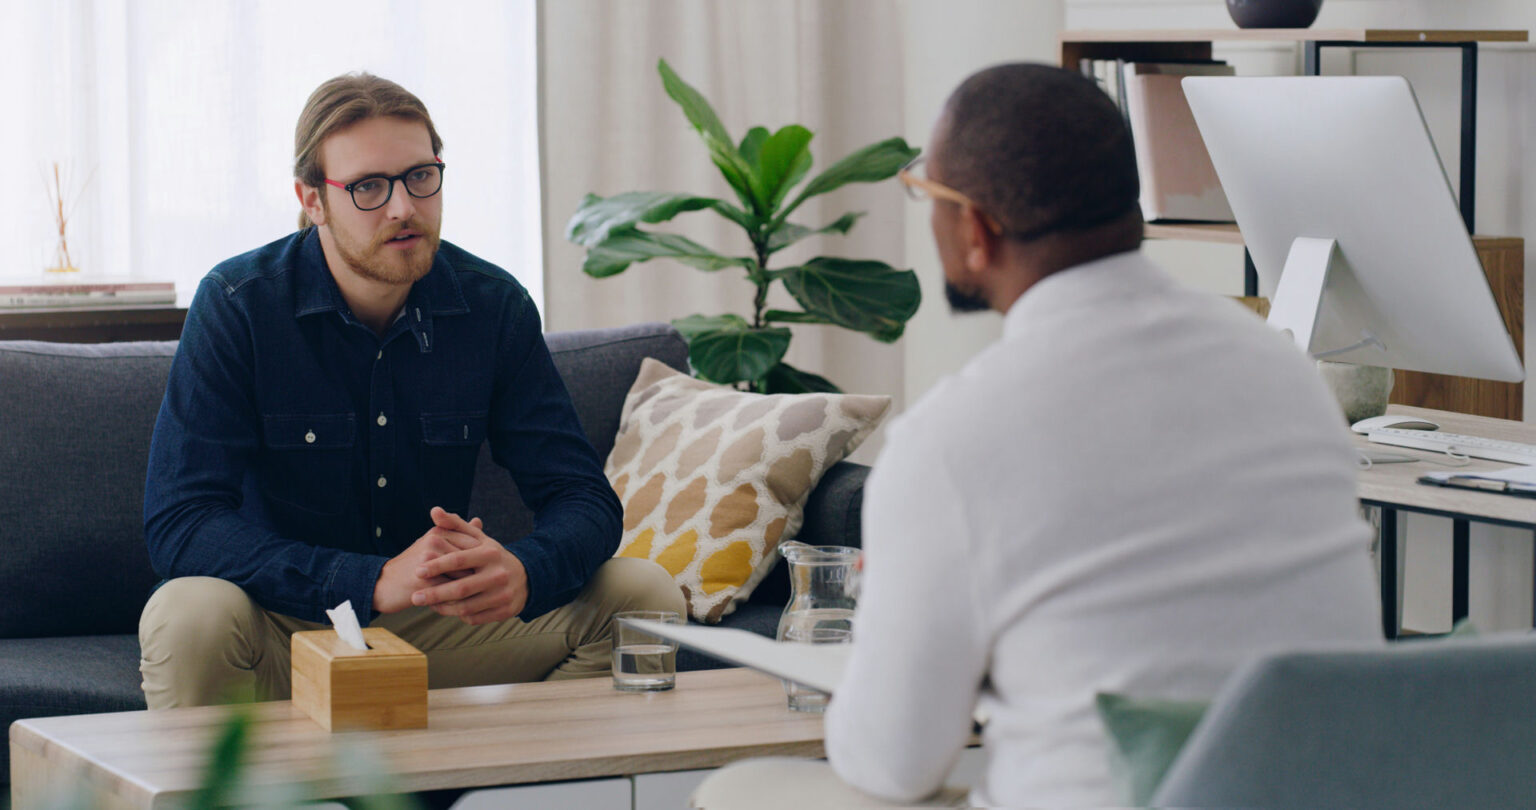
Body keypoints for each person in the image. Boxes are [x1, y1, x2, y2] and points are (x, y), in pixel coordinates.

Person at [692, 63, 1380, 807]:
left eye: (927, 194)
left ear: (976, 229)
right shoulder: (1283, 371)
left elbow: (893, 764)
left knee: (743, 791)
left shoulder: (952, 442)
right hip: (1319, 790)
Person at [139, 73, 682, 709]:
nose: (403, 207)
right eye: (368, 186)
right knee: (188, 612)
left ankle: (499, 785)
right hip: (284, 626)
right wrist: (370, 580)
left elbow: (580, 496)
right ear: (312, 200)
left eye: (420, 177)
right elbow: (181, 521)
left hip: (439, 625)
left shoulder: (492, 307)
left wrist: (527, 569)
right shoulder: (239, 305)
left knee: (645, 596)